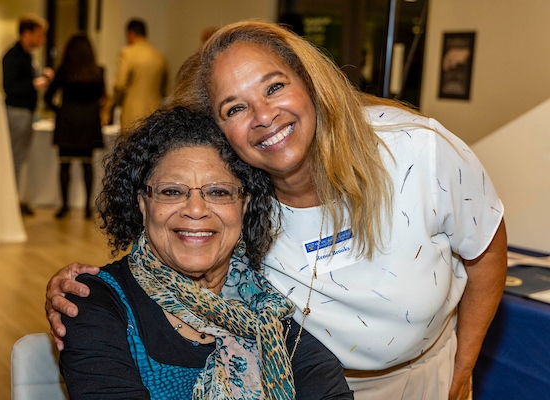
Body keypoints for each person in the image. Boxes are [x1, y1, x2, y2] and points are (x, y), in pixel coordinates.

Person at [46, 20, 507, 400]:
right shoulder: (242, 196)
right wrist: (76, 289)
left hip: (426, 374)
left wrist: (464, 368)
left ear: (309, 82)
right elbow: (170, 247)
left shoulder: (417, 151)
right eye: (235, 108)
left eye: (275, 86)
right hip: (313, 378)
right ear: (220, 134)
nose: (264, 116)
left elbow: (485, 249)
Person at [58, 106, 352, 399]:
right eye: (172, 191)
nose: (196, 210)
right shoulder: (94, 302)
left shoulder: (274, 308)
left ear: (244, 206)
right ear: (143, 205)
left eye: (218, 192)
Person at [44, 34, 105, 219]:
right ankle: (87, 208)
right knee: (87, 165)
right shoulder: (98, 71)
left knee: (65, 164)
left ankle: (64, 207)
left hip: (68, 120)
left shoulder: (64, 70)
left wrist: (60, 111)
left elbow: (48, 97)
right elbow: (101, 96)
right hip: (89, 121)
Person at [3, 13, 54, 216]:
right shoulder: (12, 56)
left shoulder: (27, 56)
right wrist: (34, 84)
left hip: (26, 112)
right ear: (27, 33)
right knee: (15, 159)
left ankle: (15, 199)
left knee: (20, 159)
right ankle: (11, 202)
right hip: (17, 112)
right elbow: (10, 88)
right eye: (39, 35)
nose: (41, 40)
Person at [108, 19, 168, 130]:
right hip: (154, 112)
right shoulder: (159, 56)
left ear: (130, 33)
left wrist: (115, 102)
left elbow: (120, 84)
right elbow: (164, 88)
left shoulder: (127, 52)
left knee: (130, 139)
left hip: (132, 113)